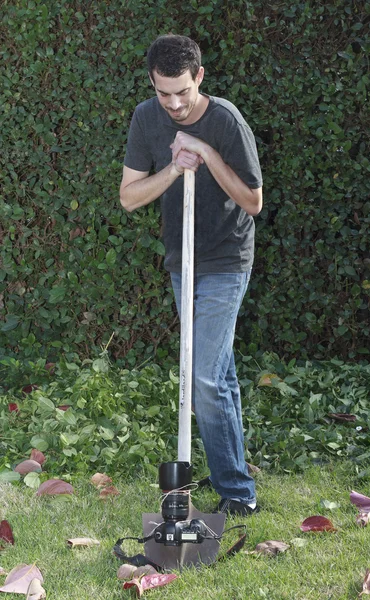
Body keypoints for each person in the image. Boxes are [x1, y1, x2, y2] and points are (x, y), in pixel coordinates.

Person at [120, 34, 263, 516]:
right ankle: (236, 485)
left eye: (182, 90)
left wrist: (204, 150)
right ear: (152, 84)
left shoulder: (226, 120)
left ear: (199, 76)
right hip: (183, 261)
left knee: (202, 374)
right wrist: (175, 169)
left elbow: (253, 201)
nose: (175, 103)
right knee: (215, 373)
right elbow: (129, 196)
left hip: (226, 257)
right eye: (164, 93)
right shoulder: (146, 117)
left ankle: (237, 494)